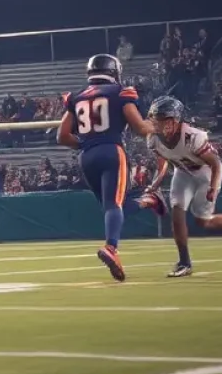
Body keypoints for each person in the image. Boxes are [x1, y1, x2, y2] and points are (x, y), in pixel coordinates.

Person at [58, 54, 154, 282]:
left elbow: (62, 136)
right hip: (111, 151)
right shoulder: (121, 92)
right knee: (114, 206)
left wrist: (85, 143)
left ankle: (149, 201)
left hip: (87, 156)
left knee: (112, 207)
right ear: (114, 71)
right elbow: (140, 128)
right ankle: (111, 247)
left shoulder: (77, 97)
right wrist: (158, 126)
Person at [138, 96, 222, 277]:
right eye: (156, 119)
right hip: (182, 172)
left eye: (163, 120)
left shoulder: (193, 136)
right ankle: (184, 262)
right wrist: (155, 185)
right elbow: (163, 164)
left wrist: (213, 188)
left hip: (205, 173)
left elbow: (216, 164)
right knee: (177, 210)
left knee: (203, 220)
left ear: (176, 120)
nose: (159, 124)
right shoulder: (153, 138)